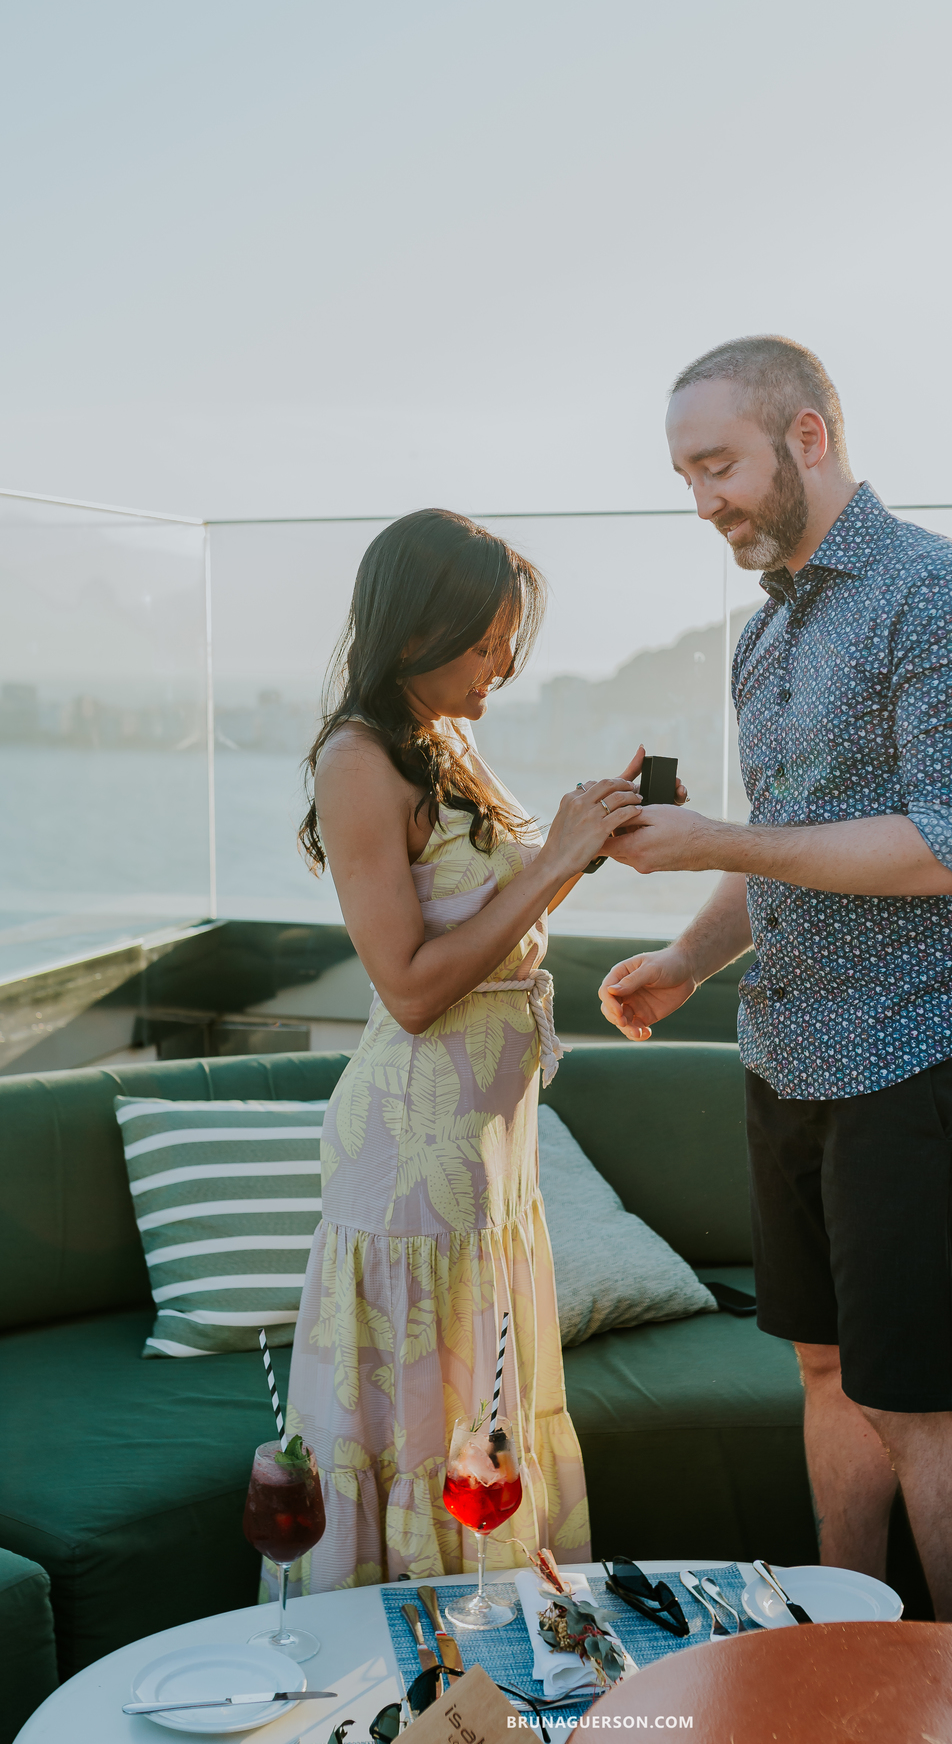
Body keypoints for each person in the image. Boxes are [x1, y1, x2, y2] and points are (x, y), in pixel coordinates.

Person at [599, 337, 952, 1623]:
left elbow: (948, 848)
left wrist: (716, 838)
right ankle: (842, 1644)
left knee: (915, 1400)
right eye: (685, 477)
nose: (704, 503)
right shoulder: (765, 632)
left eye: (718, 465)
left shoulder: (945, 595)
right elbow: (792, 845)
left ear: (806, 435)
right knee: (827, 1370)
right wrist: (686, 959)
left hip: (916, 1050)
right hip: (788, 1051)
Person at [285, 507, 646, 1593]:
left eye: (507, 641)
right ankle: (400, 1681)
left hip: (486, 1169)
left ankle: (484, 1674)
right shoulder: (356, 761)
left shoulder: (446, 739)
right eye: (483, 640)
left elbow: (495, 921)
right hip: (408, 1169)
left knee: (479, 1438)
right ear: (409, 633)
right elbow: (408, 988)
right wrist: (556, 863)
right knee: (425, 1444)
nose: (501, 664)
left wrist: (587, 830)